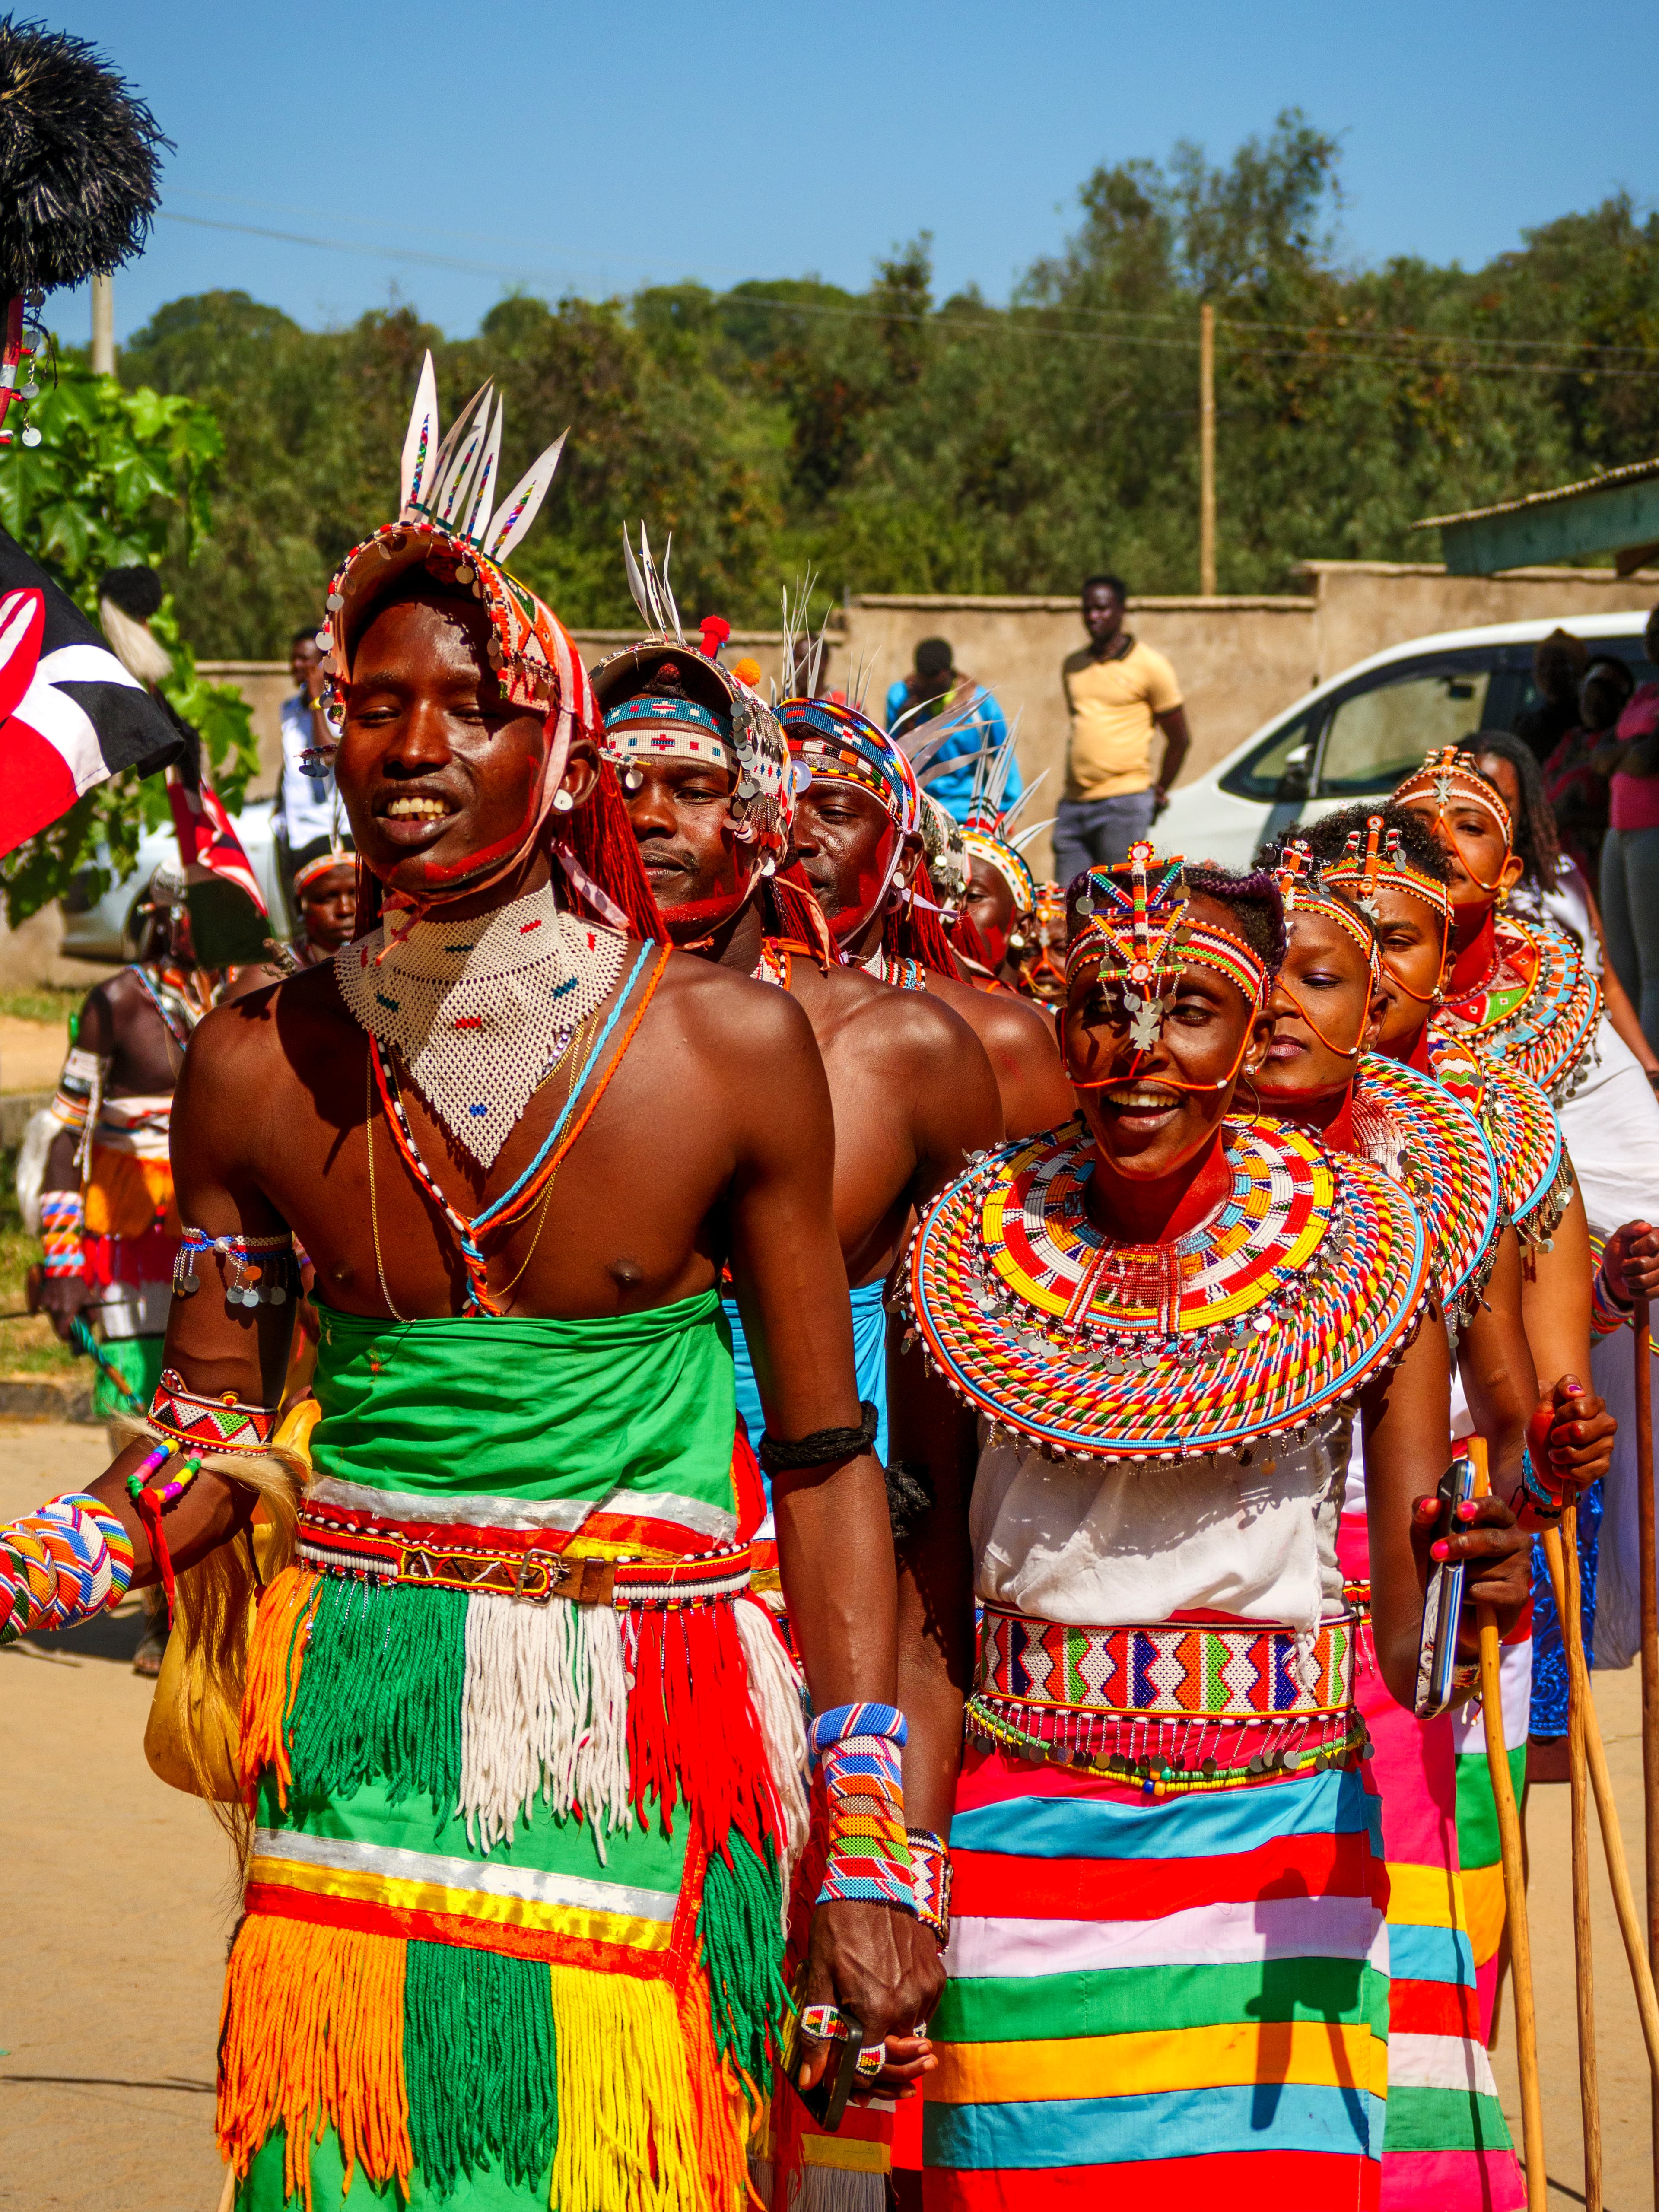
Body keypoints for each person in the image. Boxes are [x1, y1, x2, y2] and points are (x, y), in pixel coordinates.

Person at [0, 357, 938, 2210]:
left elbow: (828, 1460)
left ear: (558, 751)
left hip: (649, 1740)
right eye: (373, 704)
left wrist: (871, 1836)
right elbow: (205, 1434)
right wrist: (47, 1558)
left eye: (471, 706)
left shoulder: (729, 1050)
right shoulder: (259, 1064)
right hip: (360, 1740)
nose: (414, 744)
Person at [890, 845, 1530, 2204]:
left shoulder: (1367, 1254)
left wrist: (1474, 1586)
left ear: (1251, 1032)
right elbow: (927, 1601)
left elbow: (1410, 1660)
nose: (1138, 1053)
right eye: (1101, 1008)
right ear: (1056, 1019)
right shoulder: (958, 1255)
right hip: (1019, 1840)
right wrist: (895, 1869)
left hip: (1279, 1851)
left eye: (1188, 1009)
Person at [597, 587, 1000, 2210]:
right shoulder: (502, 1059)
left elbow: (946, 1488)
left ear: (764, 814)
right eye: (619, 780)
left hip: (827, 1644)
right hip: (595, 1653)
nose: (652, 816)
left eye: (695, 784)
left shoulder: (903, 1054)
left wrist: (894, 1817)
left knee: (829, 2124)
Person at [1249, 832, 1605, 2212]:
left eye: (1332, 970)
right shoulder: (1153, 1169)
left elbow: (1510, 1413)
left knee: (1417, 1952)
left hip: (1407, 1596)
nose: (1285, 1006)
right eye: (1266, 976)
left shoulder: (1448, 1171)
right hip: (1219, 1635)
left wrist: (1535, 1486)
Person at [35, 863, 221, 1674]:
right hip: (130, 1246)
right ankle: (159, 1608)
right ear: (164, 916)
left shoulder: (246, 993)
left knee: (227, 1423)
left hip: (222, 1240)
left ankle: (216, 1605)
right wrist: (62, 1259)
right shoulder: (114, 1002)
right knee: (145, 1423)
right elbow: (64, 1133)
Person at [783, 693, 1074, 1137]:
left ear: (904, 860)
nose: (796, 837)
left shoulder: (997, 1038)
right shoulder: (688, 1004)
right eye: (777, 809)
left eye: (835, 814)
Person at [1053, 572, 1189, 882]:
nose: (1093, 617)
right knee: (1067, 900)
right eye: (1087, 609)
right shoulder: (1073, 666)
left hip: (1124, 804)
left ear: (1122, 610)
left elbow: (1180, 739)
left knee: (1120, 900)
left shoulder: (1151, 666)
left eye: (1102, 609)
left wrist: (1160, 790)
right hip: (1073, 804)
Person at [1595, 606, 1659, 1053]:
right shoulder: (1645, 693)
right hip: (1620, 832)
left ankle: (1652, 1063)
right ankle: (1633, 1059)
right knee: (1620, 961)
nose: (1652, 639)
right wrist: (1628, 750)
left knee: (1654, 966)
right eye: (1650, 631)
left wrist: (1626, 752)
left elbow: (1645, 758)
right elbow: (1602, 759)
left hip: (1652, 830)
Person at [884, 637, 1014, 824]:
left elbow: (1004, 752)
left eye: (934, 684)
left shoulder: (979, 704)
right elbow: (891, 757)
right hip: (915, 807)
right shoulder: (900, 697)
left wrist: (1006, 809)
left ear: (947, 673)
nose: (928, 691)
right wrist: (906, 725)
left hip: (968, 810)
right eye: (923, 683)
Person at [1541, 655, 1632, 883]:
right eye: (1587, 698)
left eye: (1602, 699)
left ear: (1620, 704)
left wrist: (1570, 819)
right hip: (1555, 859)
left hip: (1597, 863)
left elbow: (1621, 810)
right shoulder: (1572, 740)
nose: (1592, 706)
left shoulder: (1619, 747)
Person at [273, 622, 343, 905]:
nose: (295, 666)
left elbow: (328, 756)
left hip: (330, 833)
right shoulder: (289, 709)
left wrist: (316, 702)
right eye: (293, 659)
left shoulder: (339, 707)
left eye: (304, 659)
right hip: (297, 834)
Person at [1514, 625, 1589, 767]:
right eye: (1542, 665)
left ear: (1579, 671)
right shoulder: (1526, 726)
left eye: (1558, 664)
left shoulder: (1590, 723)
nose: (1549, 672)